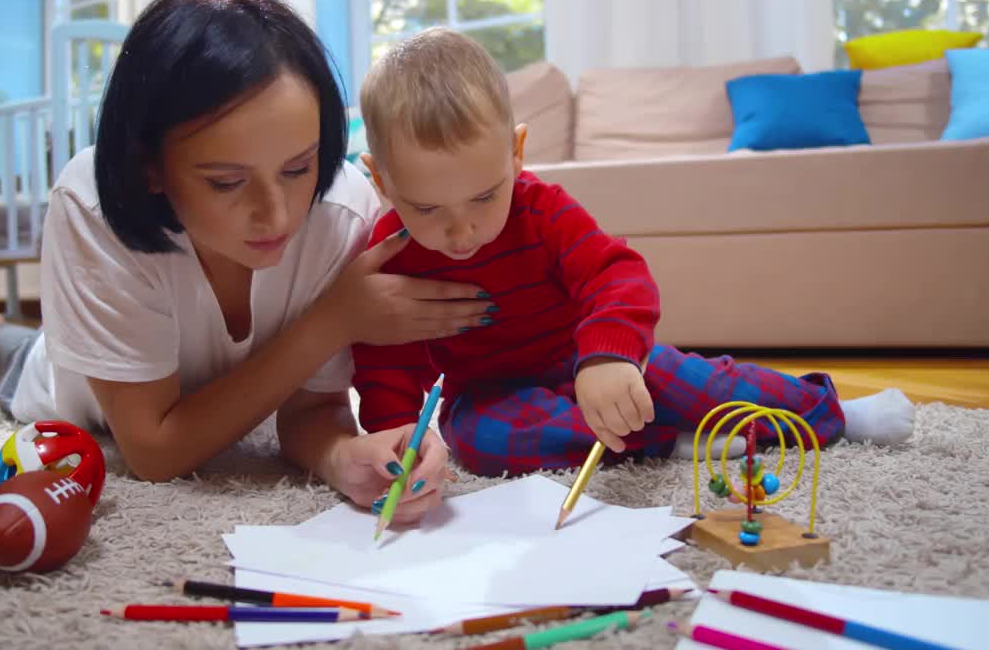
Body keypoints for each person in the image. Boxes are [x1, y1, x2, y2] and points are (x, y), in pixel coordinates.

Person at [0, 0, 495, 523]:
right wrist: (335, 318)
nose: (277, 216)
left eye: (298, 168)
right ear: (149, 164)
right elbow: (153, 452)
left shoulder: (344, 210)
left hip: (215, 386)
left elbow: (313, 409)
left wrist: (345, 458)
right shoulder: (91, 206)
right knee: (9, 355)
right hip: (64, 386)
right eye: (226, 182)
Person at [351, 27, 916, 491]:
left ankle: (832, 412)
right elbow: (385, 362)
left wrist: (607, 358)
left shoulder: (541, 209)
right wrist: (394, 438)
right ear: (382, 180)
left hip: (592, 359)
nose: (461, 230)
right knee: (481, 443)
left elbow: (616, 274)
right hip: (491, 392)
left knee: (697, 383)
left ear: (517, 153)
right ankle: (671, 441)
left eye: (483, 197)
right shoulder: (390, 250)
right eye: (427, 207)